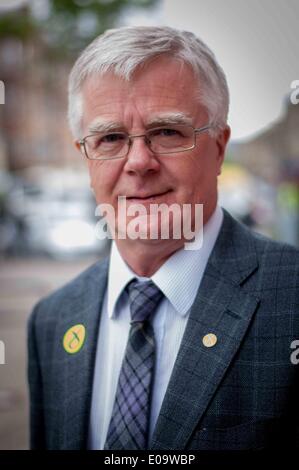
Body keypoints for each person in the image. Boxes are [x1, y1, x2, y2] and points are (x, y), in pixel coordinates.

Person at [27, 26, 299, 450]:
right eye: (111, 138)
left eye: (168, 132)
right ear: (86, 156)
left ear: (220, 147)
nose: (138, 162)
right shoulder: (51, 320)